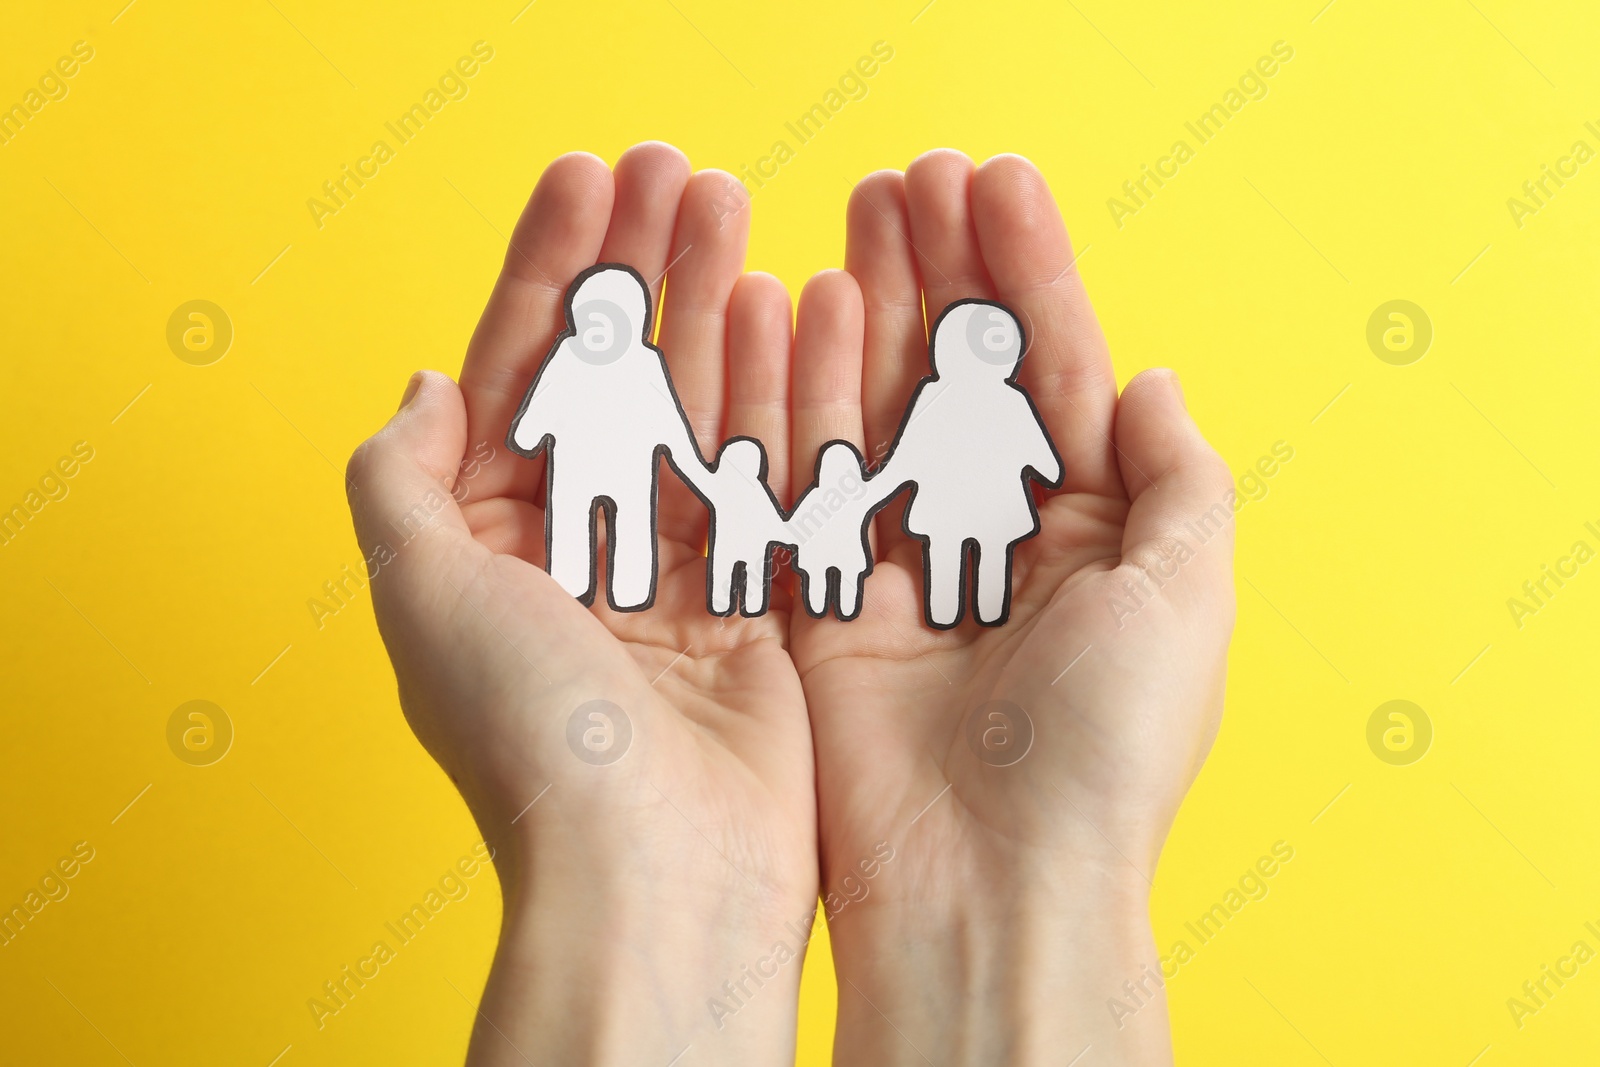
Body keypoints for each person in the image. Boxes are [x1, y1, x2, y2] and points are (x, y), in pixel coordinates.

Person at [345, 142, 1236, 1066]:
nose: (607, 329)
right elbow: (613, 440)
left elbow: (688, 448)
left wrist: (835, 498)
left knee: (961, 562)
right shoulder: (574, 364)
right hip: (610, 493)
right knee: (579, 532)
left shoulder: (965, 406)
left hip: (959, 512)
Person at [506, 263, 711, 611]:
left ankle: (628, 591)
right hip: (578, 464)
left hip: (621, 467)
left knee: (631, 525)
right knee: (576, 520)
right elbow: (544, 398)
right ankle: (570, 585)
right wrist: (526, 434)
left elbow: (668, 417)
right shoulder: (569, 355)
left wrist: (692, 465)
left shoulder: (645, 362)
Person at [875, 300, 1062, 627]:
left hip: (944, 506)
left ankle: (945, 612)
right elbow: (1049, 469)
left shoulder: (933, 396)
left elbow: (904, 458)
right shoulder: (1011, 400)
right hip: (997, 506)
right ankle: (987, 612)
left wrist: (869, 492)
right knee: (992, 553)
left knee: (946, 553)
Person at [789, 440, 898, 620]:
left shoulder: (816, 495)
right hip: (845, 553)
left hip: (821, 554)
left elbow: (797, 522)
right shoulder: (858, 495)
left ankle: (824, 607)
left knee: (820, 578)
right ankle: (838, 608)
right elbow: (883, 491)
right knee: (837, 579)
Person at [694, 436, 792, 616]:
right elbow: (774, 520)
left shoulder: (744, 489)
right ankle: (730, 604)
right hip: (743, 547)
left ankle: (729, 604)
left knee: (732, 574)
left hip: (737, 547)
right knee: (738, 574)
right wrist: (790, 538)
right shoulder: (741, 489)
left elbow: (772, 519)